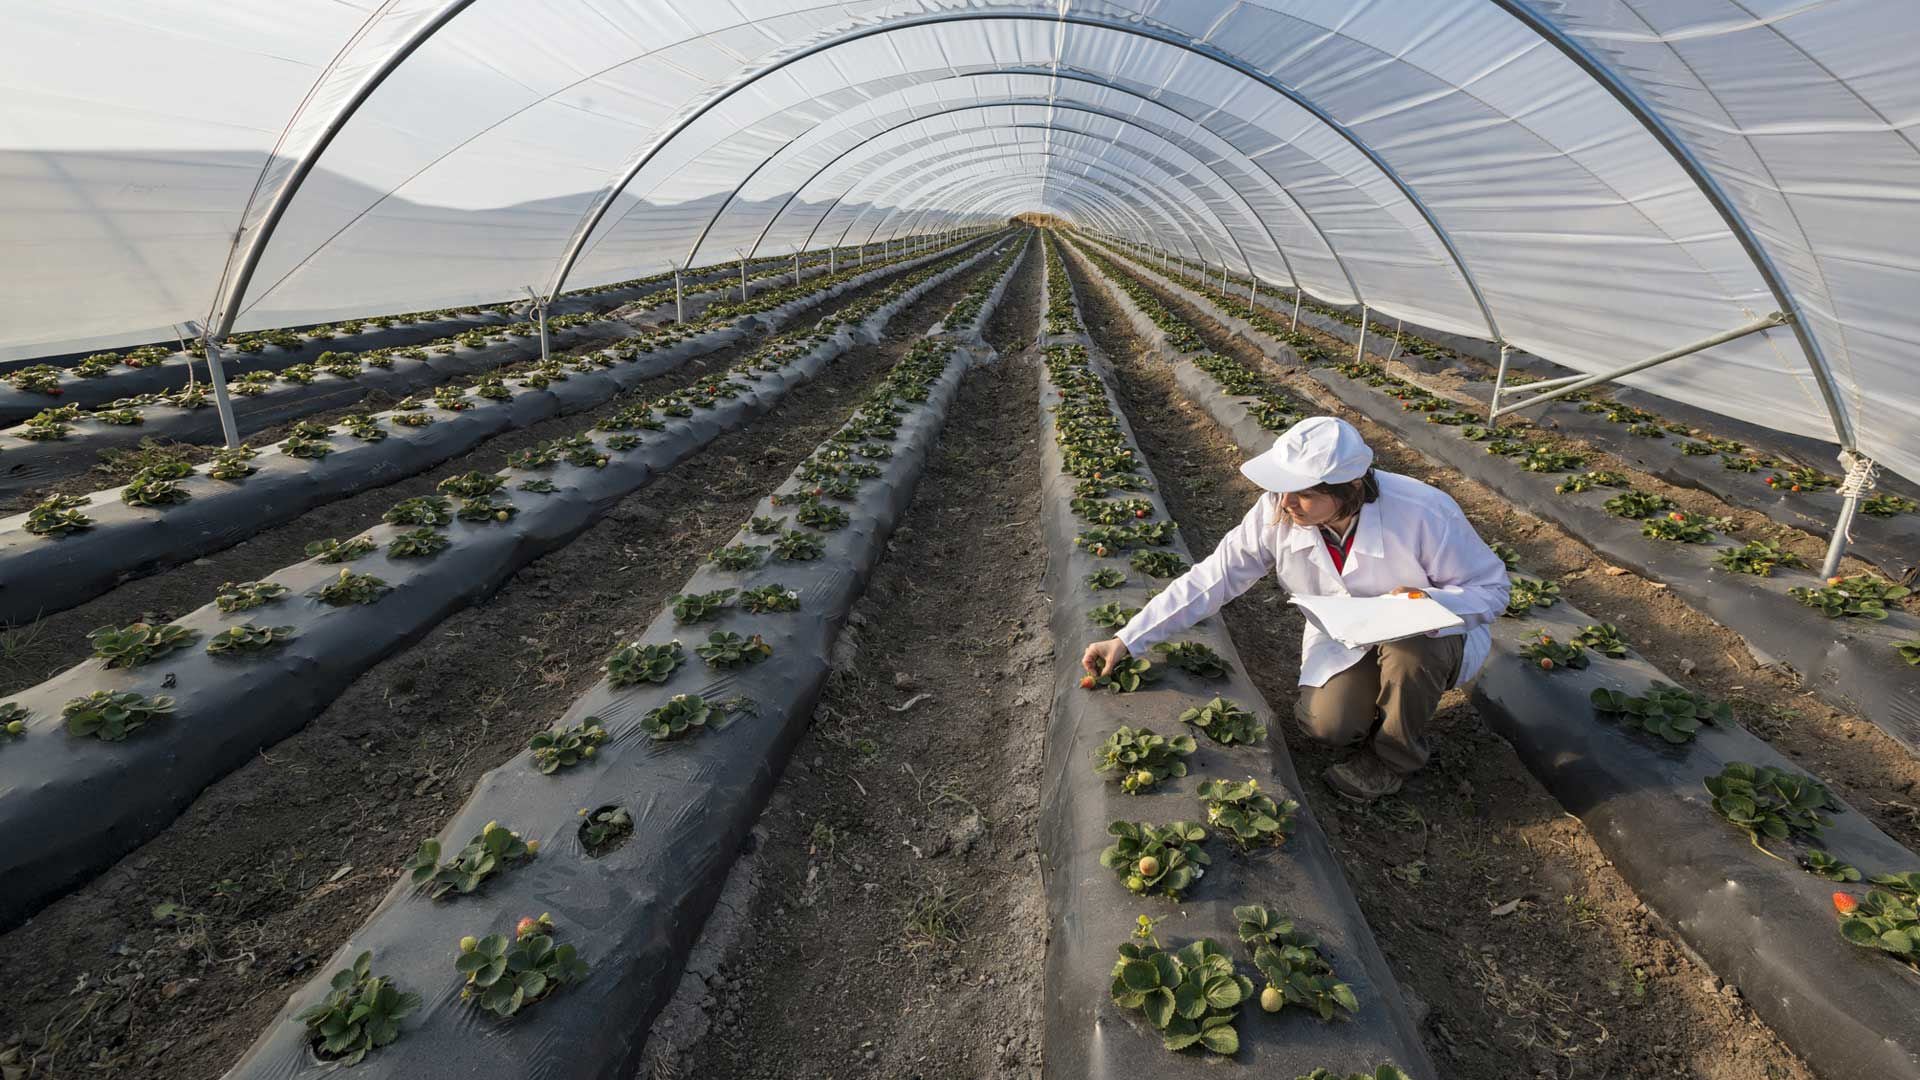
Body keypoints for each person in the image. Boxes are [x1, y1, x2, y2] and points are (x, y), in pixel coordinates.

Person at [1082, 416, 1509, 802]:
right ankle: (1384, 705)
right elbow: (1215, 576)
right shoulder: (1277, 509)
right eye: (1283, 490)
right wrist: (1129, 638)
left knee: (1411, 651)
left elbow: (1491, 589)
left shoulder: (1423, 512)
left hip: (1427, 639)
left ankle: (1393, 758)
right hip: (1345, 635)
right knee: (1328, 727)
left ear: (1352, 489)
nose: (1287, 503)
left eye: (1304, 495)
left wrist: (1424, 602)